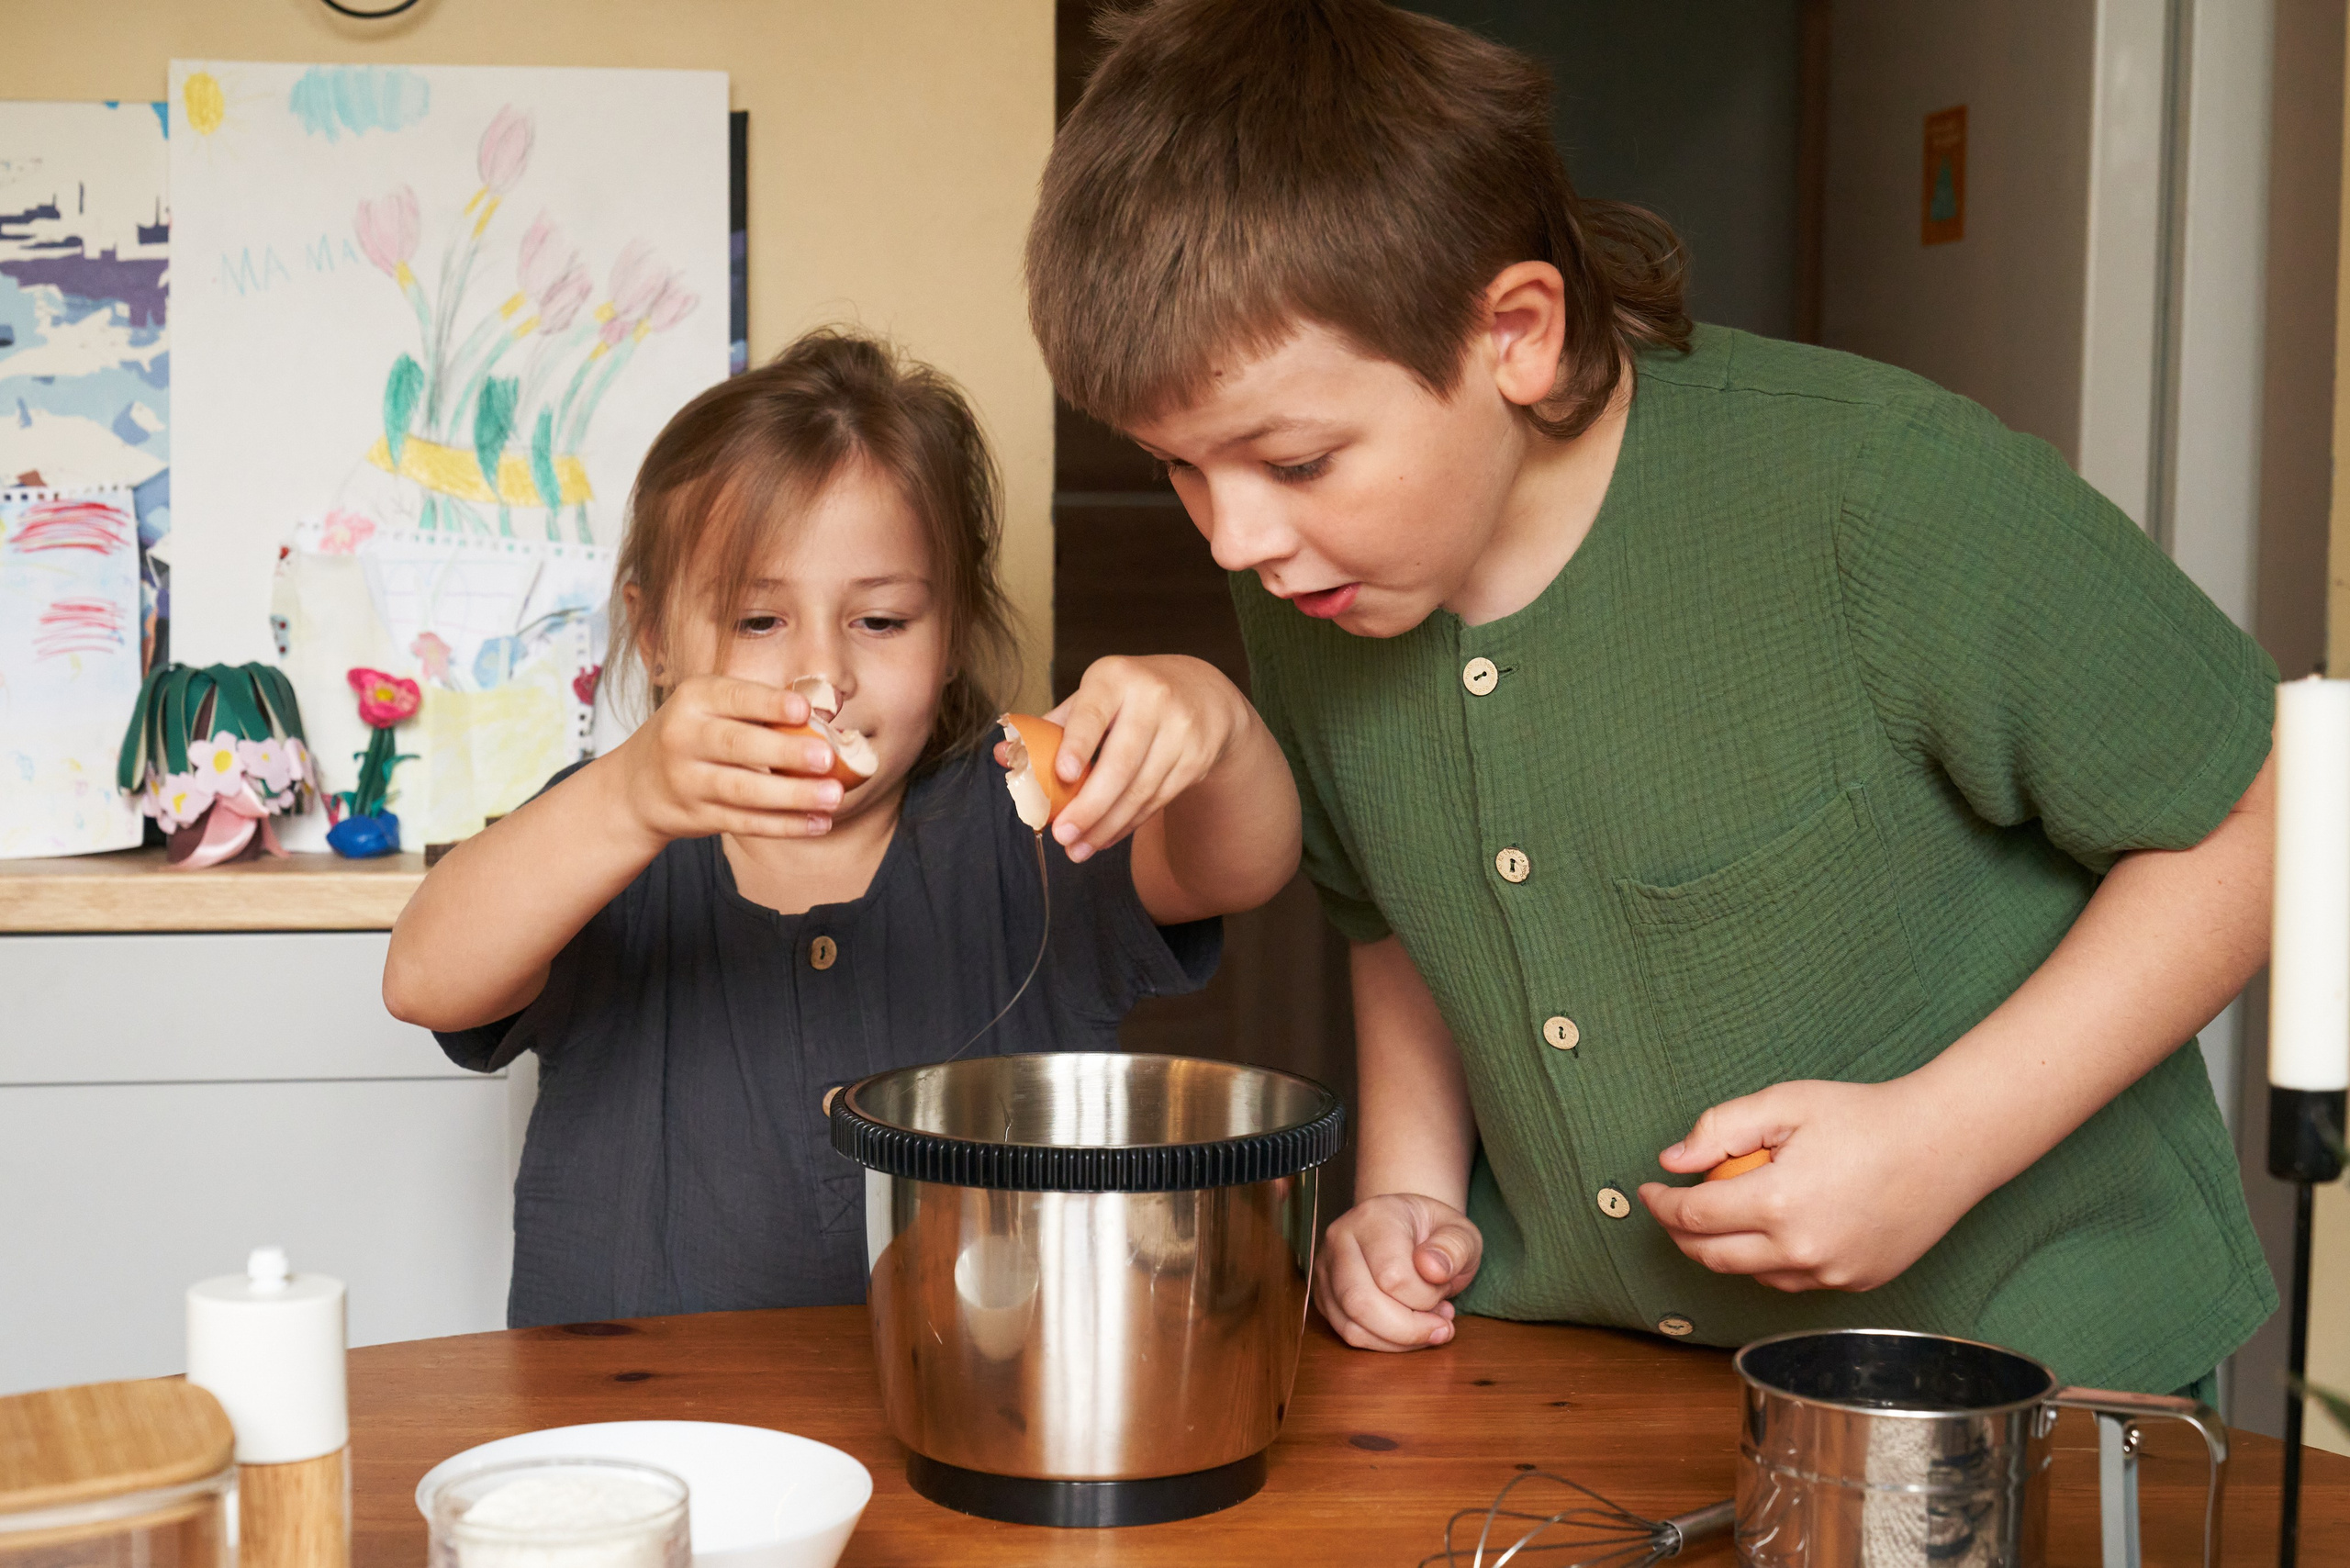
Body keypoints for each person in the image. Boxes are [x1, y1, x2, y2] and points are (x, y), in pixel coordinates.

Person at [1023, 0, 2277, 1397]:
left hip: (2036, 1371)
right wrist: (1410, 1195)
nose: (1232, 540)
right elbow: (1394, 913)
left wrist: (1942, 1141)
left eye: (1296, 462)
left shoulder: (1883, 490)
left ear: (1515, 333)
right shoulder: (1314, 582)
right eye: (1180, 468)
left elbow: (2262, 814)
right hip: (1596, 1378)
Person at [384, 329, 1302, 1327]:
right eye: (758, 621)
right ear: (654, 638)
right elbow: (424, 980)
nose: (824, 677)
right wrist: (626, 798)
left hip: (979, 1399)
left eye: (882, 621)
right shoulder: (603, 839)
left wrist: (1216, 721)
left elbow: (1239, 867)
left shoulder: (1027, 822)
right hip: (632, 1416)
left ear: (951, 634)